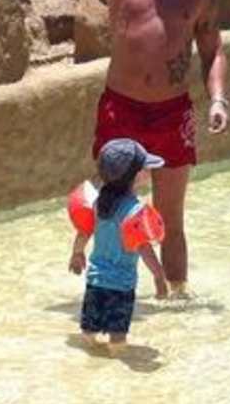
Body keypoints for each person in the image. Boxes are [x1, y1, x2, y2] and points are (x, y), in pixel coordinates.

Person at [48, 0, 229, 295]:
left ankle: (178, 300)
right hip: (122, 109)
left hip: (172, 113)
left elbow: (213, 49)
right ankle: (107, 292)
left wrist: (219, 98)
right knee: (111, 210)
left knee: (171, 218)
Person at [68, 138, 170, 346]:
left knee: (89, 331)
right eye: (146, 168)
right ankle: (115, 358)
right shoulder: (135, 211)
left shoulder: (98, 203)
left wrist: (77, 254)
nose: (150, 172)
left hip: (95, 281)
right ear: (137, 176)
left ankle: (91, 358)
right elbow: (144, 248)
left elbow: (85, 231)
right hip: (121, 286)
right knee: (117, 338)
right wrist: (159, 275)